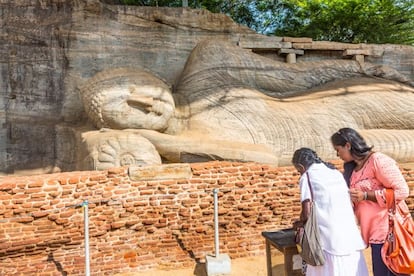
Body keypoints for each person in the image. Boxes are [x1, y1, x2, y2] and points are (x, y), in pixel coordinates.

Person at [330, 127, 411, 276]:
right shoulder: (352, 170)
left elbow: (402, 191)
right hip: (373, 234)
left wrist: (366, 196)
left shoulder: (377, 160)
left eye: (338, 149)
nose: (337, 154)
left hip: (389, 232)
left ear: (348, 145)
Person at [292, 147, 369, 276]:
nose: (299, 173)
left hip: (328, 238)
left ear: (301, 166)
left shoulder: (307, 176)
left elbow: (307, 212)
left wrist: (299, 224)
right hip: (348, 233)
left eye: (298, 170)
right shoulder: (335, 172)